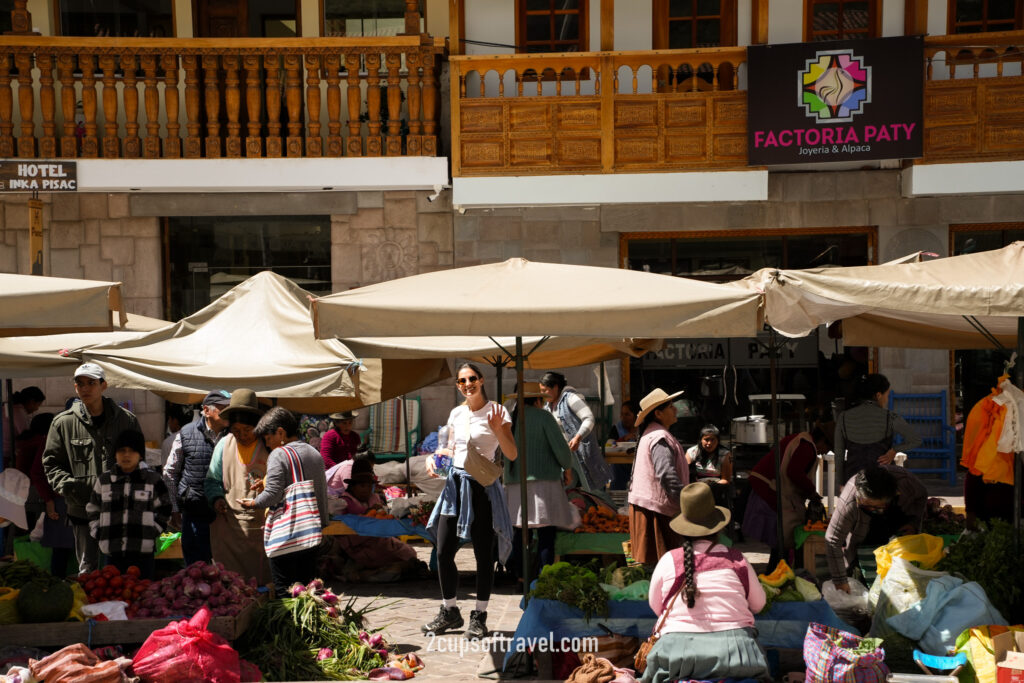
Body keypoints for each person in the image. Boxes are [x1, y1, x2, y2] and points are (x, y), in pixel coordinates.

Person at [422, 363, 518, 640]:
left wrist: (499, 429)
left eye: (472, 379)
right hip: (454, 485)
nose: (468, 384)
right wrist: (435, 459)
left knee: (483, 556)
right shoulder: (456, 412)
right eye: (462, 381)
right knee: (443, 551)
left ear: (481, 379)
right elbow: (450, 448)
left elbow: (511, 454)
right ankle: (450, 610)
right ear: (458, 385)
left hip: (482, 488)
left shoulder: (497, 411)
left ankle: (480, 616)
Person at [642, 482, 769, 683]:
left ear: (683, 528)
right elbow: (759, 604)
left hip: (676, 655)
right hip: (738, 655)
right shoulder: (737, 560)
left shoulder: (668, 560)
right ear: (717, 527)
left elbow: (656, 606)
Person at [43, 363, 140, 574]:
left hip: (119, 509)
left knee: (119, 571)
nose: (85, 388)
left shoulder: (126, 420)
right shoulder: (63, 423)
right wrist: (68, 487)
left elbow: (138, 461)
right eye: (80, 383)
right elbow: (51, 463)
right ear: (75, 387)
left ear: (103, 385)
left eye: (91, 383)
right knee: (88, 570)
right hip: (82, 508)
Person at [240, 407, 329, 596]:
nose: (268, 444)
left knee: (285, 593)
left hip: (287, 537)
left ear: (280, 432)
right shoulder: (314, 453)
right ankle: (305, 626)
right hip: (311, 534)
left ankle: (291, 626)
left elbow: (272, 494)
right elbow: (319, 492)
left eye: (268, 438)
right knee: (308, 593)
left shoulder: (279, 454)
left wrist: (252, 503)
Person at [505, 385, 579, 585]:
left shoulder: (510, 420)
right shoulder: (544, 417)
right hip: (544, 483)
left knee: (521, 532)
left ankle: (521, 576)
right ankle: (544, 577)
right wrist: (568, 468)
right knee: (546, 532)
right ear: (537, 400)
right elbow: (562, 450)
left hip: (515, 483)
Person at [825, 465, 928, 593]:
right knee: (864, 581)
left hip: (895, 526)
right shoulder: (849, 501)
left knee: (902, 583)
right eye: (868, 506)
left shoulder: (906, 482)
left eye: (878, 507)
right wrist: (840, 581)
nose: (874, 510)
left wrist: (914, 522)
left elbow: (922, 495)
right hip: (864, 538)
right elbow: (833, 540)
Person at [205, 388, 271, 585]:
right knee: (231, 585)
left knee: (261, 583)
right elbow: (212, 480)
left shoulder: (269, 445)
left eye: (247, 430)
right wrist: (216, 498)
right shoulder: (223, 445)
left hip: (261, 527)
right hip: (229, 529)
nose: (241, 435)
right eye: (236, 431)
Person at [86, 429, 172, 579]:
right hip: (111, 553)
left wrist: (153, 530)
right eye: (122, 450)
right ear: (115, 454)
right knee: (113, 599)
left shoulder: (153, 480)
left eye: (132, 451)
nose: (126, 455)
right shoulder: (104, 481)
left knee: (143, 597)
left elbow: (165, 510)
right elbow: (93, 508)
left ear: (140, 454)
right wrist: (98, 531)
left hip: (142, 554)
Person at [743, 427, 829, 567]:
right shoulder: (806, 447)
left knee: (779, 540)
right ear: (823, 440)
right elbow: (794, 473)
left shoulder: (799, 438)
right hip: (769, 488)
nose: (825, 451)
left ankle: (776, 567)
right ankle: (777, 569)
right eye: (827, 446)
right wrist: (811, 492)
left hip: (767, 486)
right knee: (783, 537)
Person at [163, 389, 230, 567]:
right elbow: (170, 472)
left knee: (225, 570)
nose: (227, 413)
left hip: (225, 515)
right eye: (222, 408)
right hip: (194, 512)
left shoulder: (233, 436)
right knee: (196, 569)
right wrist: (175, 507)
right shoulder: (185, 434)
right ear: (206, 410)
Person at [628, 388, 689, 565]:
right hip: (657, 510)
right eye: (671, 407)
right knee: (666, 564)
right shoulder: (659, 436)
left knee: (656, 566)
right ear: (658, 413)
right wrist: (687, 502)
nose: (675, 410)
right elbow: (667, 475)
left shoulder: (651, 433)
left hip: (652, 507)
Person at [834, 374, 922, 484]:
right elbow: (916, 440)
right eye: (887, 395)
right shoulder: (890, 417)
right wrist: (894, 450)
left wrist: (841, 483)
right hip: (881, 481)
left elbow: (839, 455)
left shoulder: (843, 417)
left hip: (853, 480)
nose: (886, 399)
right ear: (878, 395)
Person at [333, 470, 419, 580]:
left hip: (380, 538)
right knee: (391, 558)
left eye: (369, 486)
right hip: (359, 544)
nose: (367, 489)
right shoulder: (345, 501)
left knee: (409, 552)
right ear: (353, 487)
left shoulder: (374, 498)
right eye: (362, 486)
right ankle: (365, 573)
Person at [539, 371, 612, 494]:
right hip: (565, 457)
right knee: (567, 491)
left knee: (594, 492)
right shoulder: (547, 406)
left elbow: (589, 418)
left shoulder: (571, 398)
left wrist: (578, 437)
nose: (542, 394)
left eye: (544, 390)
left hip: (583, 454)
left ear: (556, 387)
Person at [26, 413, 74, 576]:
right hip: (61, 503)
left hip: (87, 503)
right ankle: (57, 588)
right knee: (60, 554)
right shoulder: (52, 440)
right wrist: (48, 499)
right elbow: (38, 473)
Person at [685, 425, 733, 508]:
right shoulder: (692, 452)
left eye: (713, 440)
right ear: (701, 440)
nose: (709, 443)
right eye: (706, 440)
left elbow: (726, 479)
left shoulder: (725, 454)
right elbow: (685, 475)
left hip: (717, 489)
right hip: (696, 489)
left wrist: (710, 487)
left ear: (718, 441)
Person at [3, 386, 45, 465]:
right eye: (38, 405)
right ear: (31, 401)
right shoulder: (19, 411)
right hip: (6, 455)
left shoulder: (11, 408)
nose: (36, 409)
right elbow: (27, 437)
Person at [160, 404, 188, 469]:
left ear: (175, 421)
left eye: (169, 419)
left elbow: (165, 469)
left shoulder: (168, 442)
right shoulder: (196, 437)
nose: (169, 423)